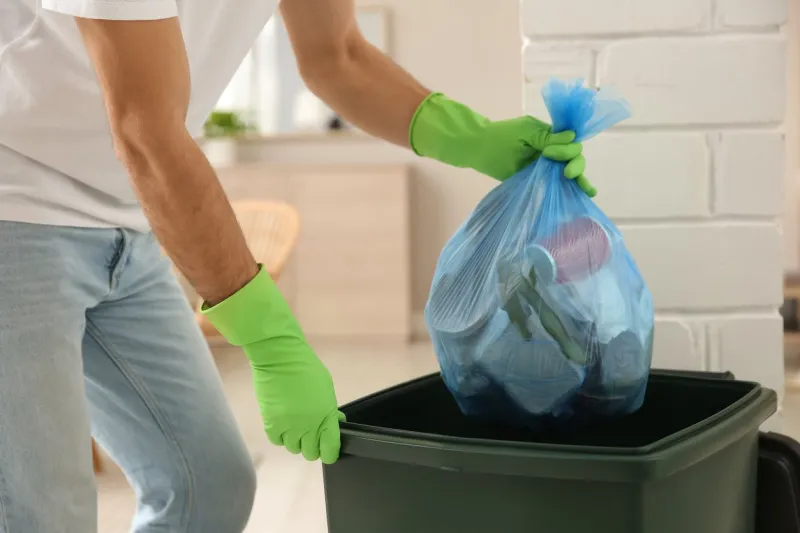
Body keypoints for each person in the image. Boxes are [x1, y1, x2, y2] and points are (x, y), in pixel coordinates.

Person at [0, 0, 591, 530]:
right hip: (15, 208)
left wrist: (470, 137)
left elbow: (337, 55)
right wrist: (269, 337)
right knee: (44, 515)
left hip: (127, 222)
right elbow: (145, 131)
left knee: (208, 488)